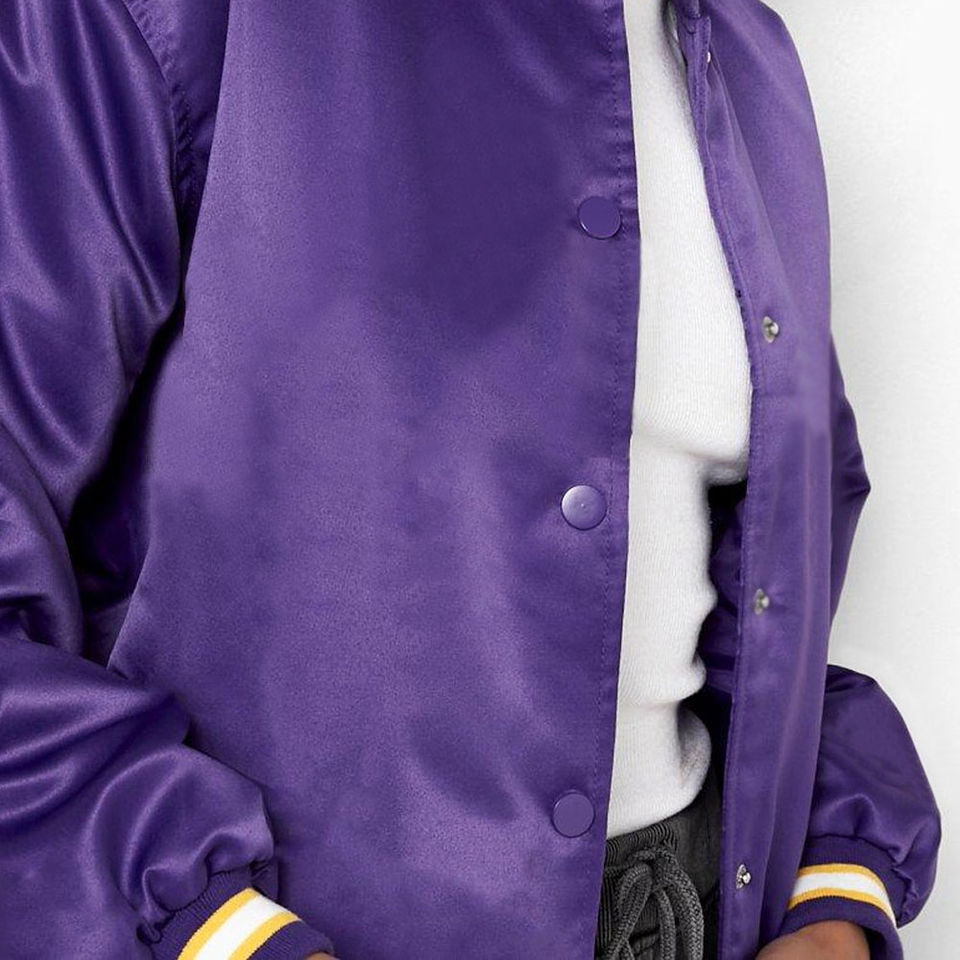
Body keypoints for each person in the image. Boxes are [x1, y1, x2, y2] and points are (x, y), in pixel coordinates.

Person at [0, 0, 940, 958]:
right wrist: (209, 927)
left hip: (696, 914)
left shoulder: (747, 61)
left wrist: (835, 886)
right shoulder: (186, 22)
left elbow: (777, 579)